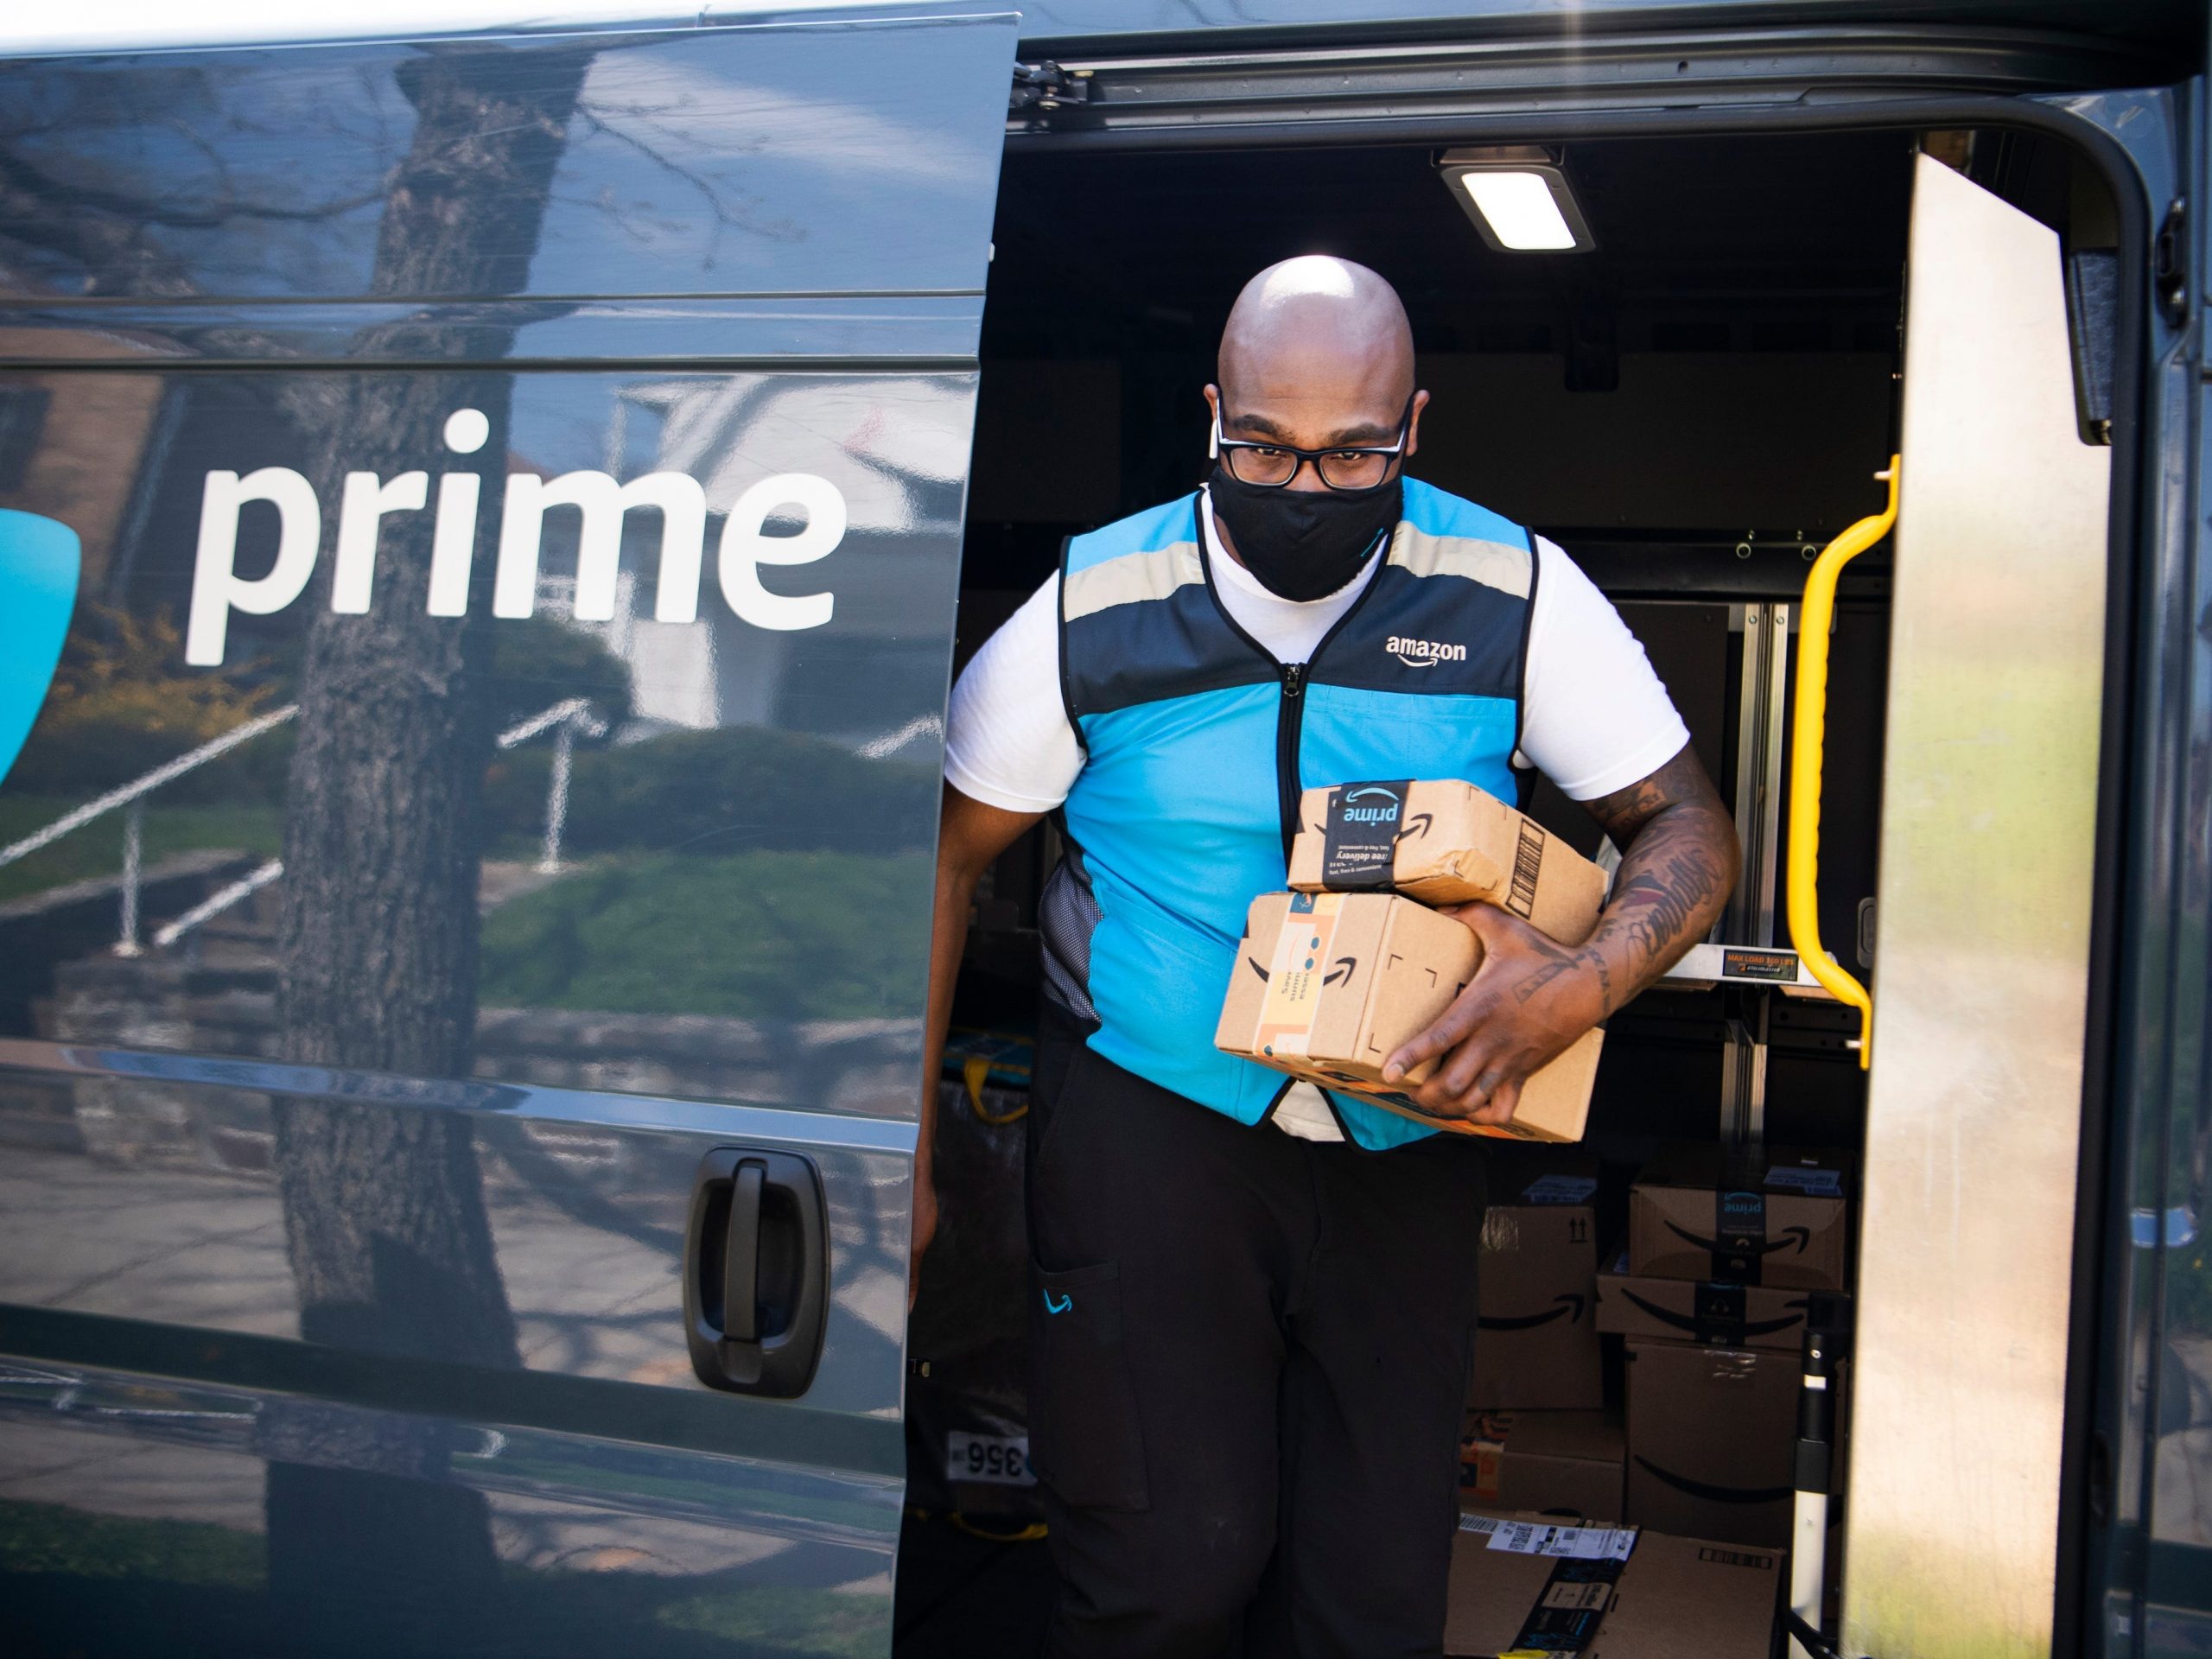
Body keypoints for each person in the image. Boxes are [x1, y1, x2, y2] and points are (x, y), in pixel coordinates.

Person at [918, 255, 1740, 1657]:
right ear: (1212, 415)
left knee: (1367, 1596)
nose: (1302, 489)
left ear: (1413, 425)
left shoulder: (1509, 588)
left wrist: (1582, 984)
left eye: (1351, 454)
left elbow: (1686, 825)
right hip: (1152, 1134)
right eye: (1264, 448)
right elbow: (941, 863)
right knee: (1163, 1579)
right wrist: (906, 1151)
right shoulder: (1089, 607)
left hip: (1406, 1140)